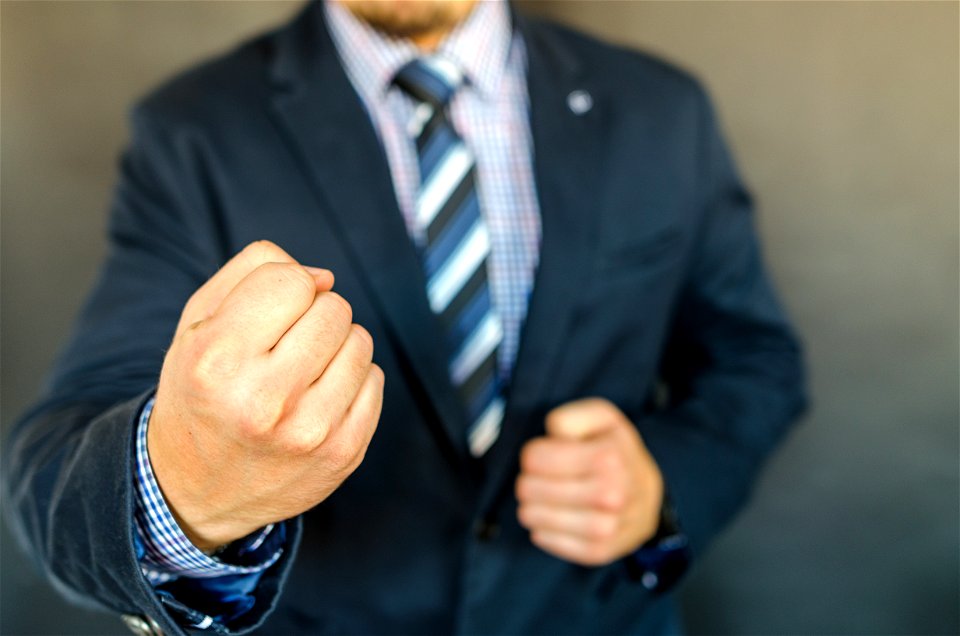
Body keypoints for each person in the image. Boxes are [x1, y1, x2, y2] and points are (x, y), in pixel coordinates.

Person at [2, 0, 807, 634]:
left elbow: (754, 359)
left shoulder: (662, 110)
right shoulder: (194, 131)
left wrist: (661, 482)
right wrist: (189, 492)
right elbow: (59, 460)